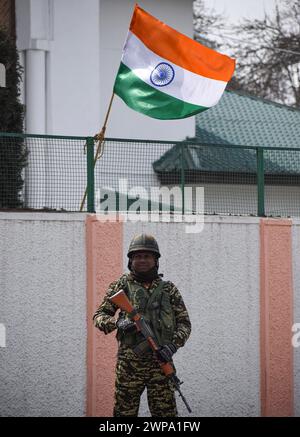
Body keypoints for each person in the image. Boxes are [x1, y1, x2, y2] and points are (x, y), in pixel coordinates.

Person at [93, 233, 191, 417]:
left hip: (161, 363)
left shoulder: (169, 289)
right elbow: (99, 316)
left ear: (155, 260)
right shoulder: (121, 286)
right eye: (138, 256)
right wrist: (118, 323)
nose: (142, 260)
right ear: (131, 261)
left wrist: (172, 346)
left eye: (147, 256)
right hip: (129, 366)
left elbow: (185, 324)